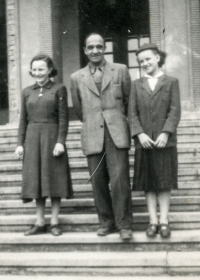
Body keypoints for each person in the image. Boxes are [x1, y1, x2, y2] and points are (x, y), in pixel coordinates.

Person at [70, 33, 132, 241]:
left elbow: (128, 101)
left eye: (99, 46)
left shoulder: (121, 70)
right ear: (85, 51)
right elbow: (79, 110)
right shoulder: (76, 77)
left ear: (104, 48)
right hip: (92, 134)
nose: (95, 50)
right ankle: (106, 222)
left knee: (119, 180)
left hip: (117, 133)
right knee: (98, 181)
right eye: (91, 47)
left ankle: (124, 225)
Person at [15, 54, 73, 236]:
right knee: (36, 181)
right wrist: (20, 144)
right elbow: (23, 120)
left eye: (41, 69)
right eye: (35, 69)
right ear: (31, 71)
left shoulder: (59, 89)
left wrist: (60, 142)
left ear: (49, 70)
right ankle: (40, 222)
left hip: (52, 137)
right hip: (32, 138)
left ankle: (54, 222)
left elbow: (64, 118)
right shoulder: (26, 91)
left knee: (54, 179)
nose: (38, 72)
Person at [128, 43, 181, 238]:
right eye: (141, 61)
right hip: (145, 142)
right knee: (148, 183)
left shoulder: (171, 82)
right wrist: (140, 134)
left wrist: (166, 133)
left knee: (164, 182)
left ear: (158, 58)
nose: (145, 63)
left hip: (165, 141)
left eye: (148, 59)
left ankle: (164, 221)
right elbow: (132, 113)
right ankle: (152, 221)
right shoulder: (136, 85)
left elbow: (175, 111)